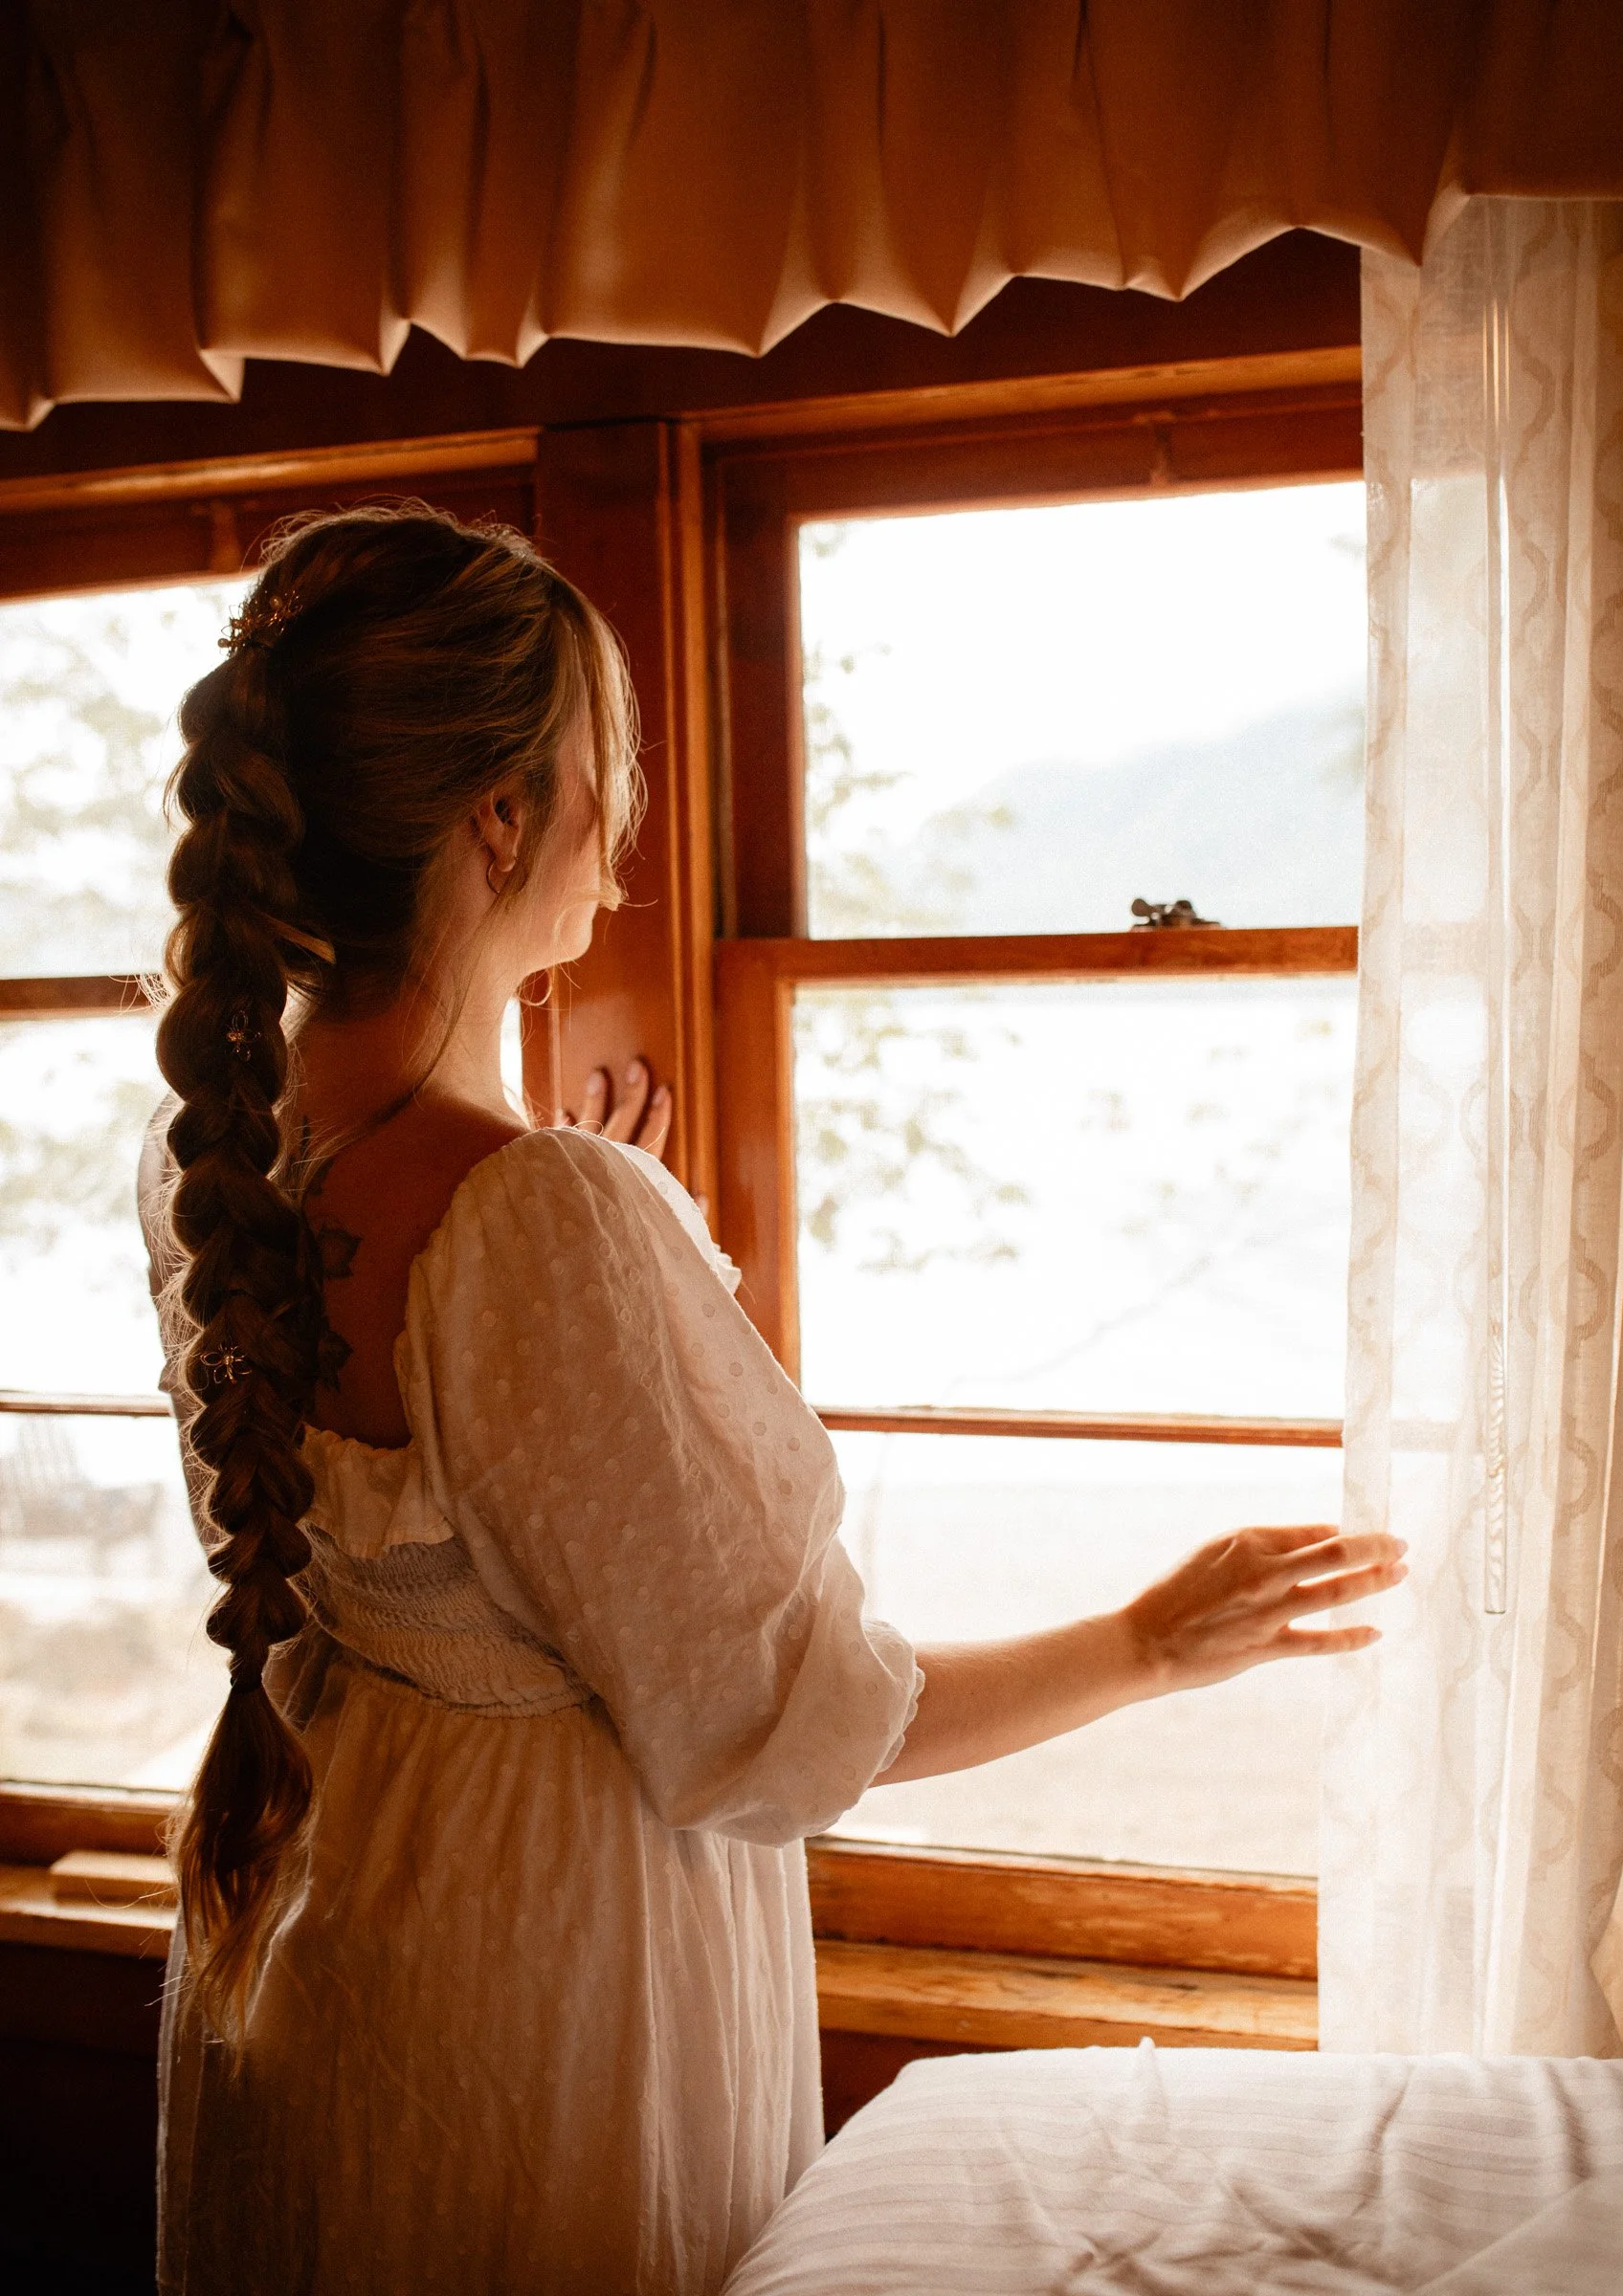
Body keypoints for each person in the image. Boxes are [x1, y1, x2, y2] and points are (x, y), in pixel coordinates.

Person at [139, 504, 1405, 2296]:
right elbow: (790, 1730)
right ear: (497, 814)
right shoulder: (540, 1222)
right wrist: (1153, 1641)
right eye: (604, 769)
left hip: (325, 1926)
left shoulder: (221, 1159)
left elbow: (441, 1486)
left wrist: (579, 1236)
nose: (624, 831)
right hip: (534, 1993)